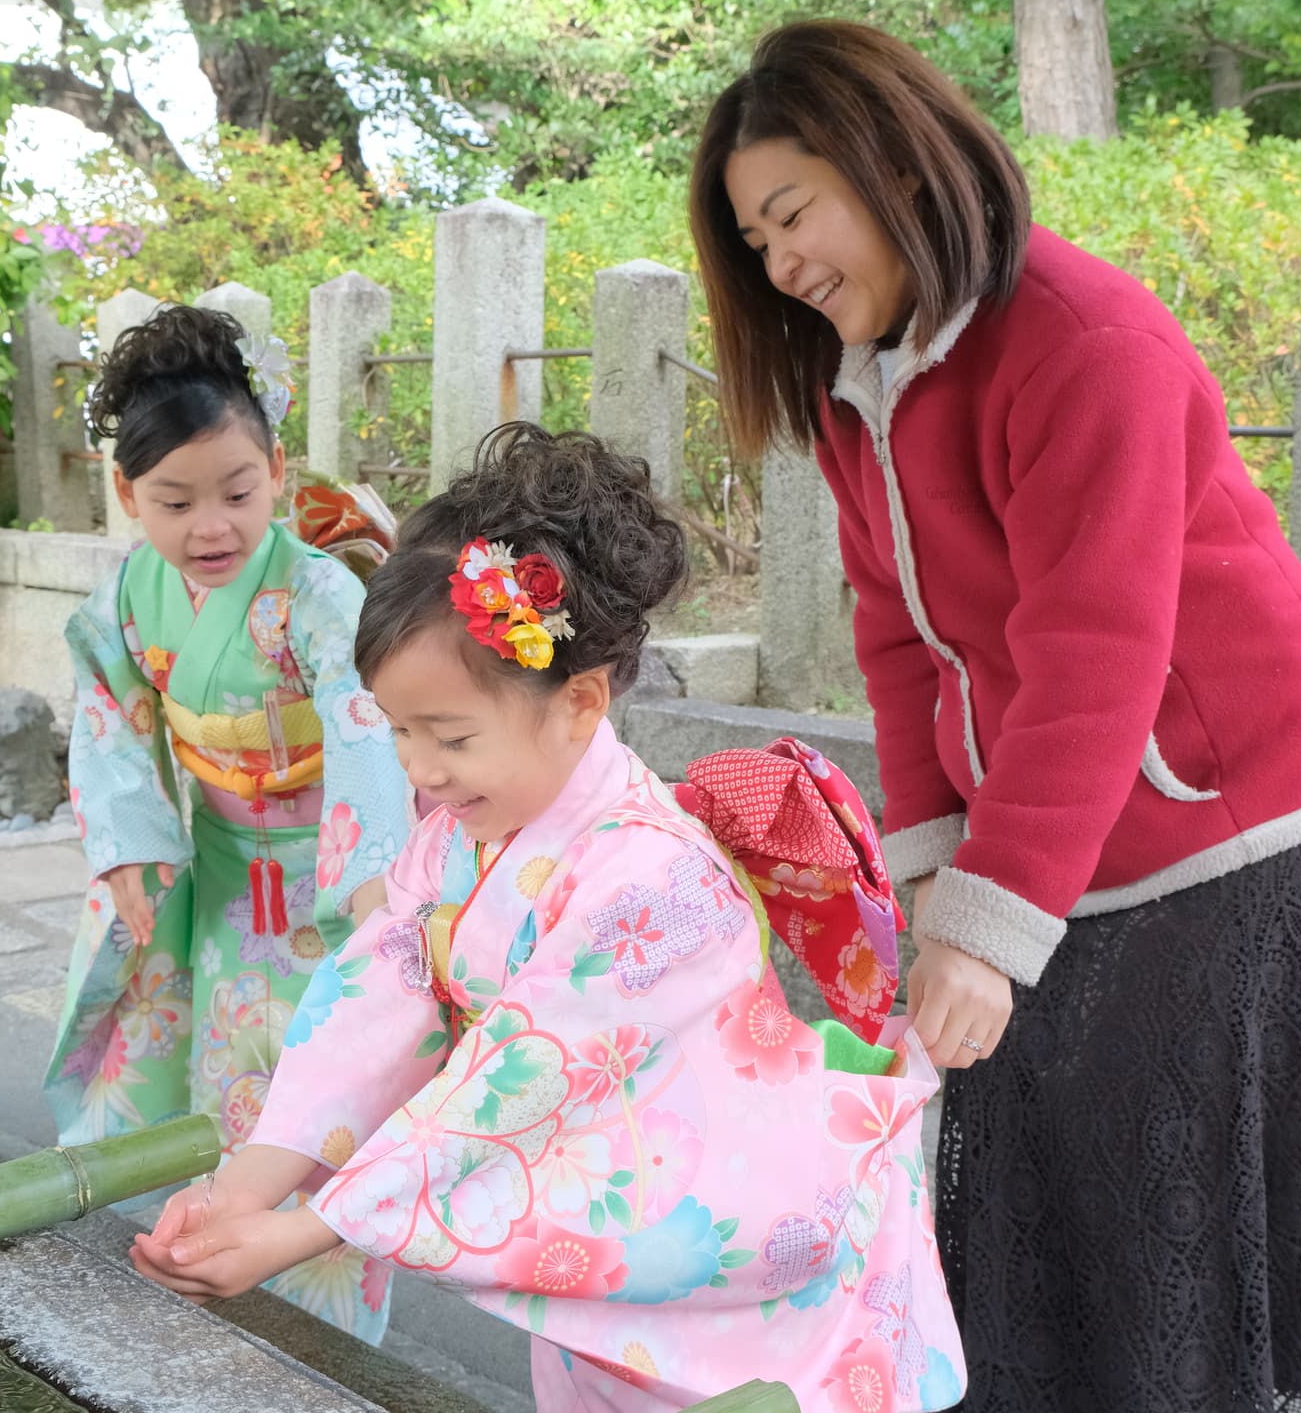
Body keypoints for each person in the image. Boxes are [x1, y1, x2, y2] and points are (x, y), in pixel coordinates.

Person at [689, 18, 1301, 1413]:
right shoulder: (866, 390)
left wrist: (988, 923)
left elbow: (1098, 652)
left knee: (1172, 1253)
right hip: (1064, 842)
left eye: (793, 214)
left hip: (1223, 839)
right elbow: (902, 650)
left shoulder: (1086, 338)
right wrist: (928, 880)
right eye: (756, 242)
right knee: (1050, 1218)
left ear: (895, 162)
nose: (781, 264)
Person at [129, 423, 966, 1412]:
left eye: (451, 736)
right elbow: (368, 1005)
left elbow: (514, 1082)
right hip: (600, 1267)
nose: (421, 769)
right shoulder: (458, 837)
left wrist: (310, 1228)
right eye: (399, 731)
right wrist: (245, 1188)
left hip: (727, 1259)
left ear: (579, 701)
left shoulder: (652, 878)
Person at [43, 304, 411, 1341]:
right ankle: (201, 1263)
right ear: (127, 495)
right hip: (211, 871)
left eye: (239, 494)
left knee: (315, 1083)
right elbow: (110, 718)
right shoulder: (124, 598)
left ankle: (316, 1326)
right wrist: (126, 846)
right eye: (174, 501)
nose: (212, 528)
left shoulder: (320, 595)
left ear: (280, 472)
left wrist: (374, 887)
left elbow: (365, 732)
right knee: (215, 1075)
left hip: (322, 881)